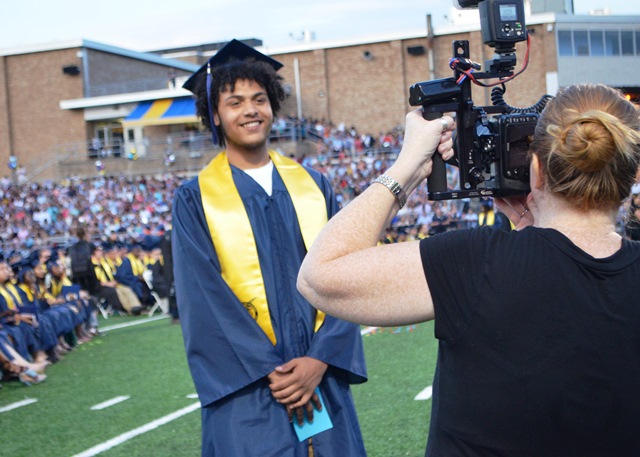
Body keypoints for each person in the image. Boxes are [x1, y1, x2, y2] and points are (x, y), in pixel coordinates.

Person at [297, 83, 640, 456]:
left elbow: (319, 277)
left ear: (536, 168)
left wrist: (408, 166)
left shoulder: (479, 262)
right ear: (632, 174)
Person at [173, 39, 367, 456]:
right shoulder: (195, 199)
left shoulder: (314, 186)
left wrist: (320, 359)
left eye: (259, 98)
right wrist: (276, 373)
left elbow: (345, 273)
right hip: (251, 389)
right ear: (214, 114)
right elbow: (204, 298)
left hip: (320, 374)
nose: (250, 110)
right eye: (234, 101)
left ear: (273, 105)